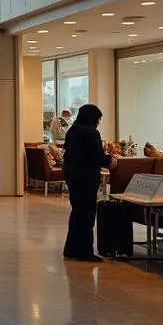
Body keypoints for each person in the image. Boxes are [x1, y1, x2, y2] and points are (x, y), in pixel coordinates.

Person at [62, 103, 117, 262]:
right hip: (86, 178)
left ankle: (71, 248)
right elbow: (97, 157)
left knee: (77, 212)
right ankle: (84, 251)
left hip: (73, 176)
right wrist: (110, 160)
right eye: (99, 118)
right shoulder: (91, 132)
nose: (99, 121)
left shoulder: (73, 130)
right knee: (86, 215)